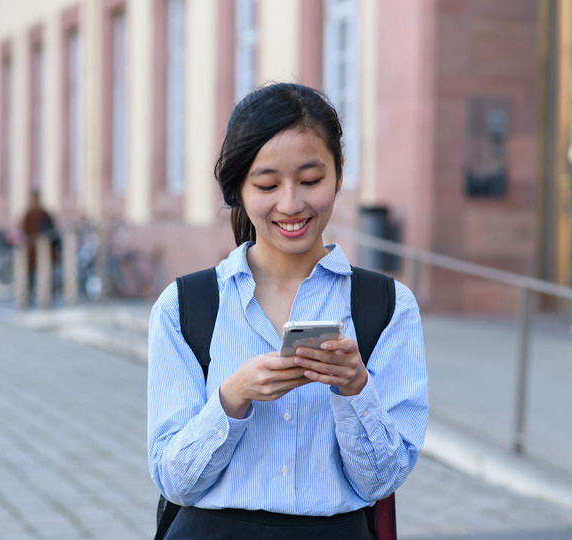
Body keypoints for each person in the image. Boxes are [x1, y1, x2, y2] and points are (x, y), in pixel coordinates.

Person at [147, 83, 428, 539]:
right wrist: (231, 398)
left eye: (311, 180)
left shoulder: (387, 306)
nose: (291, 204)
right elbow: (174, 482)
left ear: (339, 174)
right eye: (267, 184)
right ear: (237, 189)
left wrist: (356, 388)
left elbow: (381, 481)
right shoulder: (184, 307)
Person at [20, 189, 58, 304]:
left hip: (40, 250)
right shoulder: (33, 214)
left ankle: (41, 297)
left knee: (40, 275)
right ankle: (34, 297)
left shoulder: (39, 213)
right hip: (34, 250)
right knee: (34, 275)